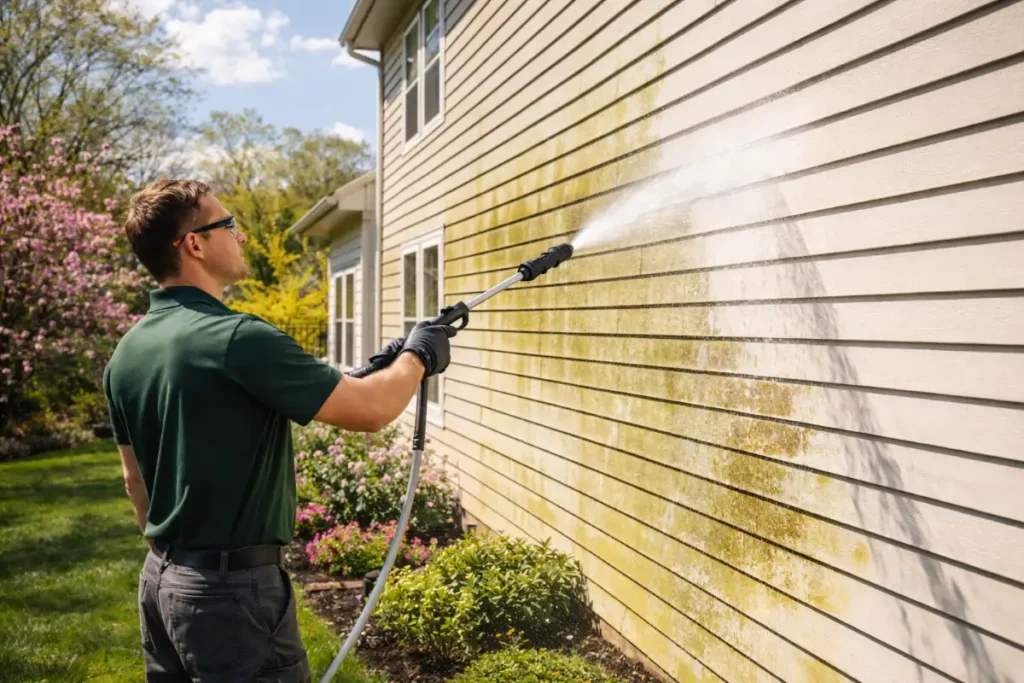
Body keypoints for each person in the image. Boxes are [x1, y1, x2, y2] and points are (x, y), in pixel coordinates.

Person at [102, 178, 456, 682]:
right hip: (232, 594)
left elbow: (134, 484)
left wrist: (180, 564)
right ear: (195, 244)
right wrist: (419, 355)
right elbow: (374, 411)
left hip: (162, 580)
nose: (240, 236)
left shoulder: (127, 354)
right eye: (228, 224)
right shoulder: (236, 338)